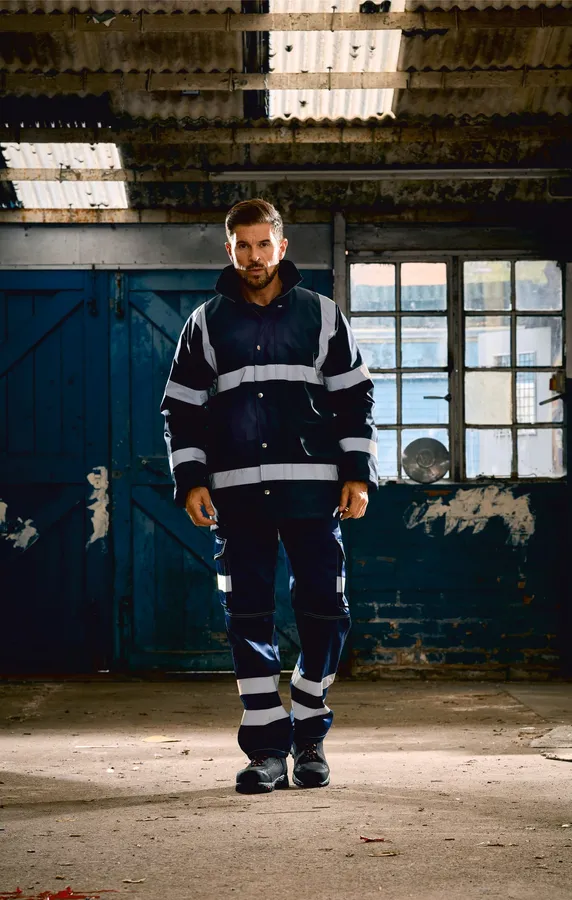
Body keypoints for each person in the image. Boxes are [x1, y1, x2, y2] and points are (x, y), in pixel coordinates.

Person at [160, 199, 378, 794]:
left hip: (314, 493)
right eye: (243, 245)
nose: (254, 256)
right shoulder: (205, 323)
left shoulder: (322, 315)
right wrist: (192, 479)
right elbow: (181, 409)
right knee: (247, 616)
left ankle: (308, 734)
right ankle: (265, 751)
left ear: (281, 247)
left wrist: (357, 473)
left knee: (326, 612)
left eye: (263, 244)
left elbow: (354, 398)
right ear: (228, 249)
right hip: (237, 498)